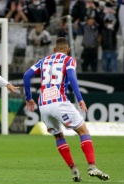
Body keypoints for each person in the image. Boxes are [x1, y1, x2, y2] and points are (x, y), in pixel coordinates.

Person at [23, 37, 109, 182]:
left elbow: (26, 75)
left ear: (54, 49)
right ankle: (92, 166)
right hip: (59, 102)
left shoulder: (44, 60)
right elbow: (72, 78)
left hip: (43, 104)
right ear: (68, 50)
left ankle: (74, 169)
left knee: (58, 136)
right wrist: (80, 98)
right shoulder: (69, 60)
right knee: (83, 131)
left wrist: (28, 98)